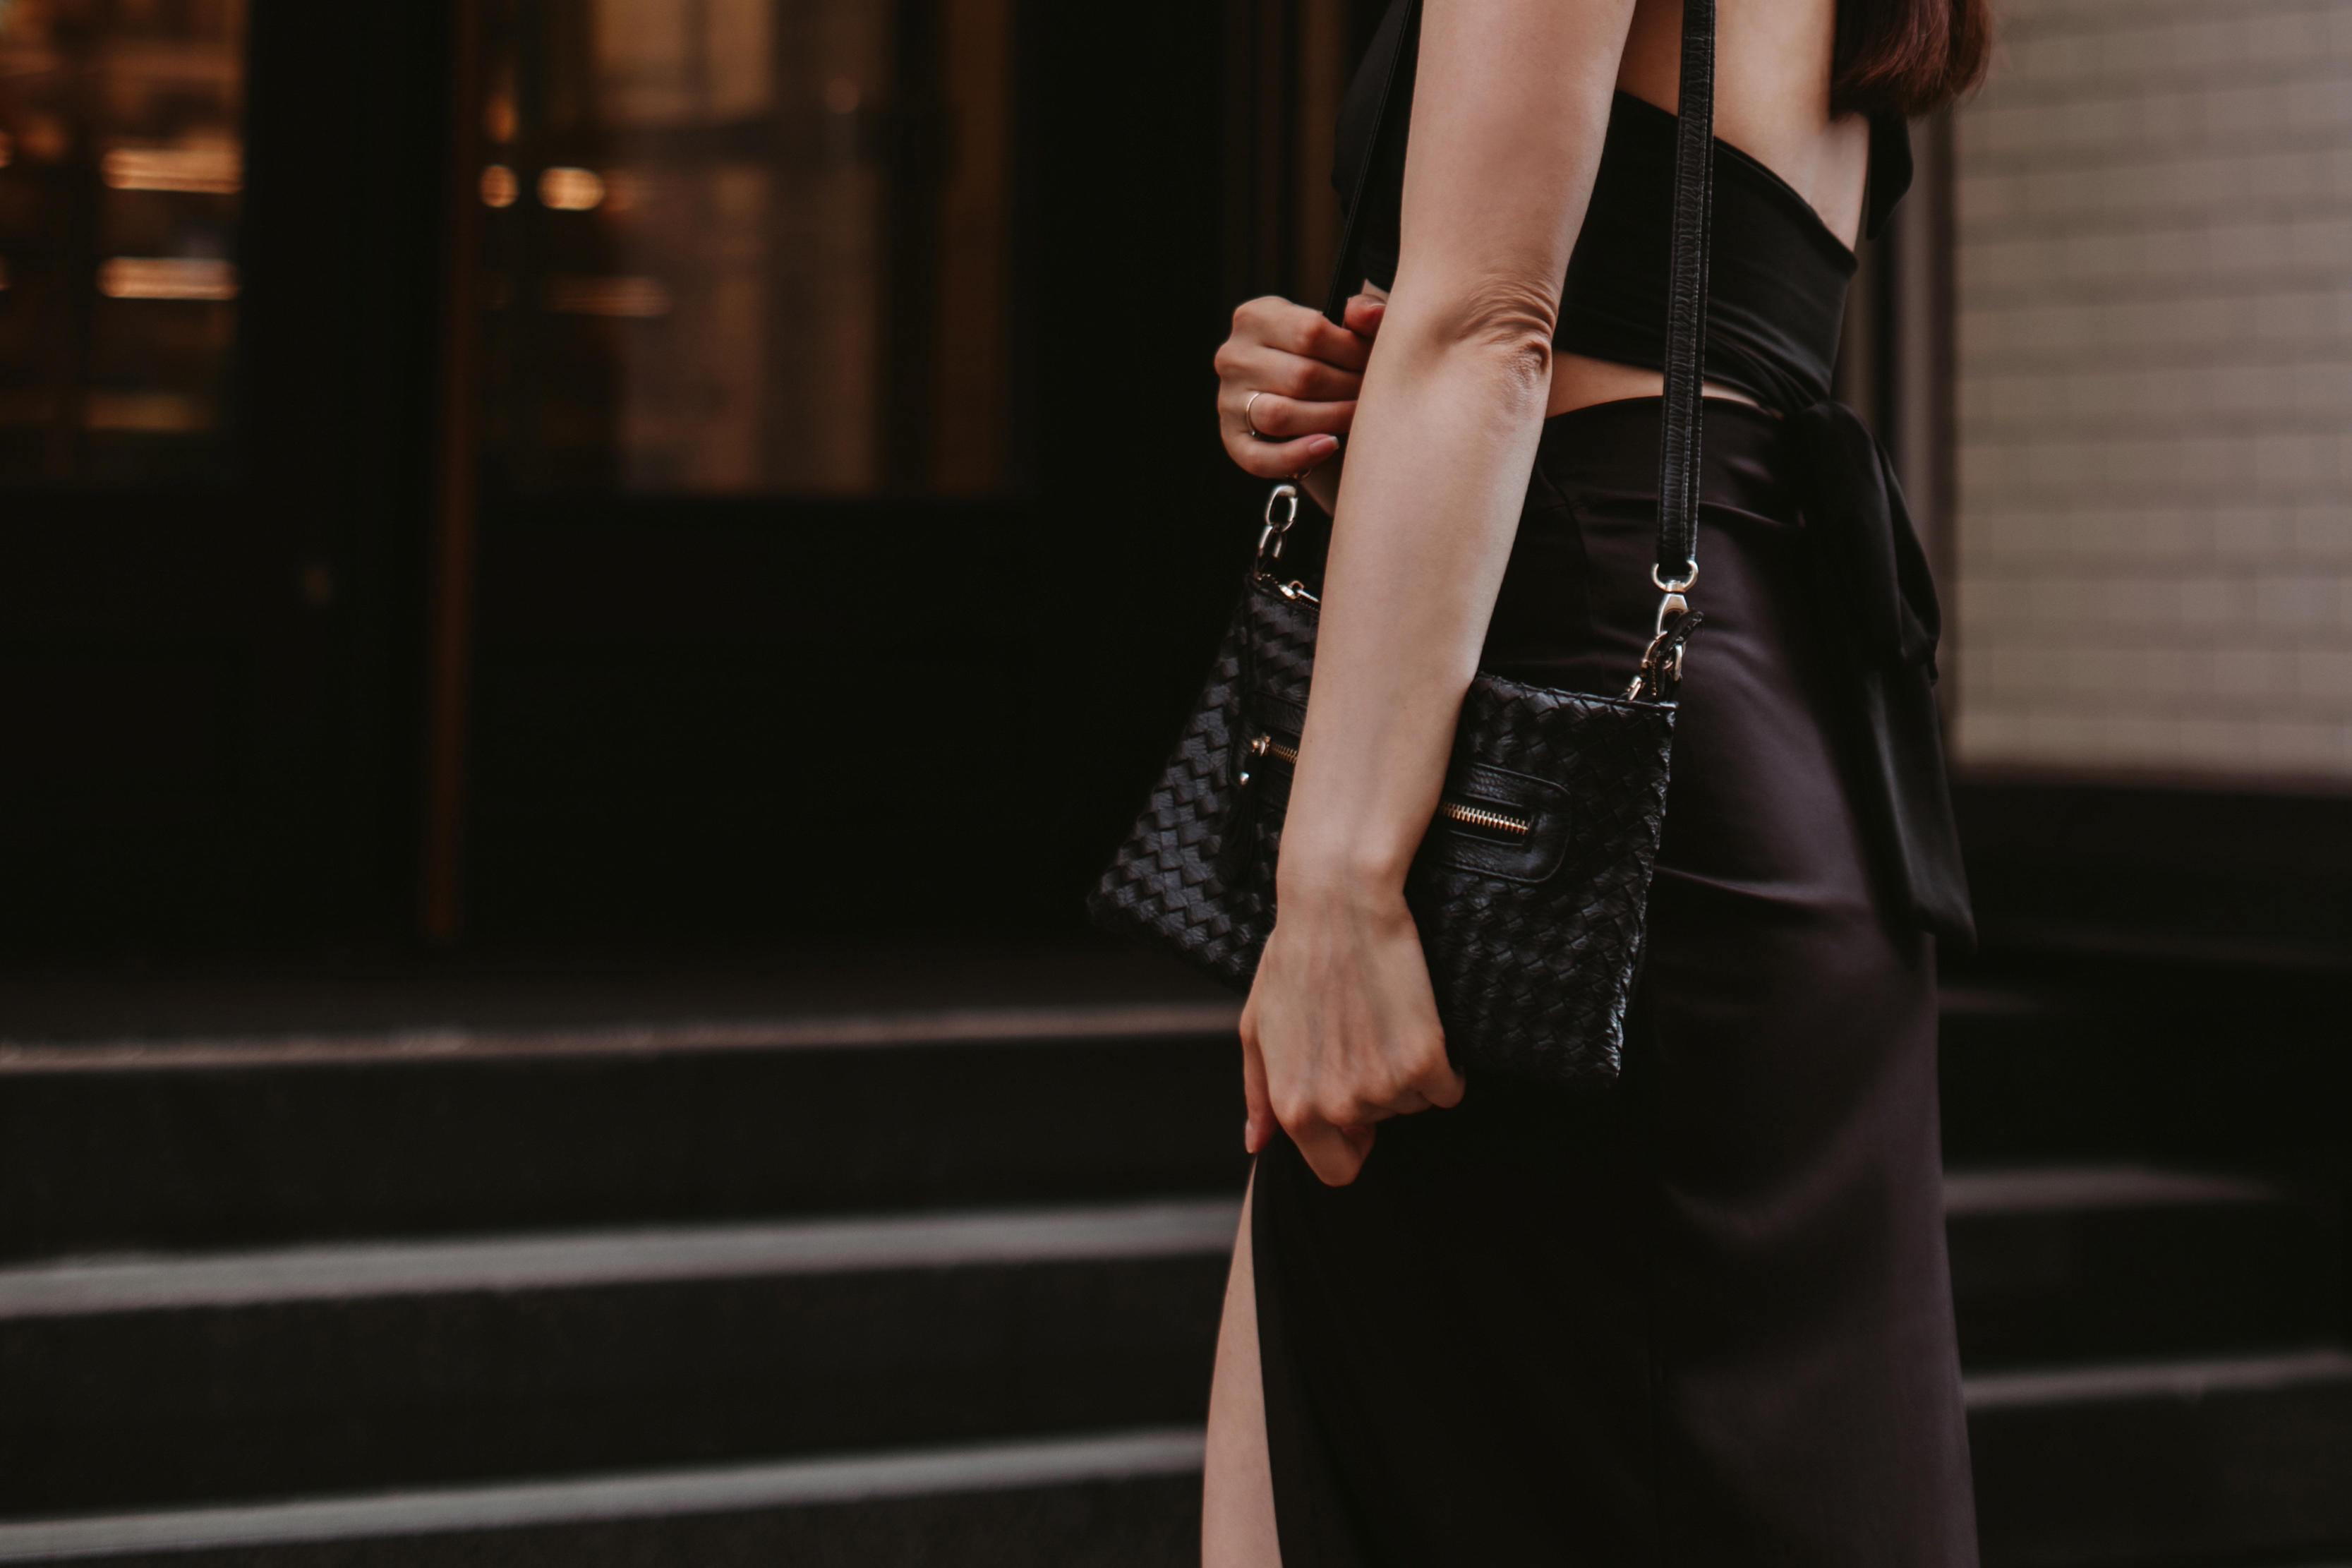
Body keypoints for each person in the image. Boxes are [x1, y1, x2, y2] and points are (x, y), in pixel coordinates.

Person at [1200, 0, 1993, 1562]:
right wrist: (1347, 370)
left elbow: (1491, 325)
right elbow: (1639, 315)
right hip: (1759, 734)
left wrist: (1335, 884)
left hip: (1562, 752)